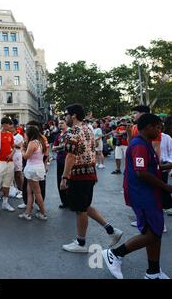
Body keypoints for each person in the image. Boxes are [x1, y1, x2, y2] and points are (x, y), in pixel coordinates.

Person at [103, 114, 172, 279]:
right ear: (148, 126)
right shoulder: (139, 144)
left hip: (149, 193)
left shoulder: (144, 143)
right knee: (152, 233)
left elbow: (152, 167)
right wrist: (166, 186)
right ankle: (115, 253)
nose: (159, 130)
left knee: (154, 231)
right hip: (142, 194)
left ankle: (153, 271)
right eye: (157, 127)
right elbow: (141, 172)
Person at [60, 104, 123, 253]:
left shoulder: (73, 132)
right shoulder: (88, 128)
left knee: (80, 209)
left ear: (73, 115)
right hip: (89, 173)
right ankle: (111, 230)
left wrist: (64, 177)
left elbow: (70, 156)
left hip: (78, 175)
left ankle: (81, 243)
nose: (64, 118)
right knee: (85, 205)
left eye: (66, 115)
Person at [19, 124, 47, 221]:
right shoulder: (40, 142)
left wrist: (22, 149)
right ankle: (27, 213)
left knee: (37, 192)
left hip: (32, 169)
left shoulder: (32, 143)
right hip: (38, 168)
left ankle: (43, 213)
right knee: (29, 192)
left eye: (26, 134)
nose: (25, 135)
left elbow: (26, 156)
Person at [52, 120, 69, 209]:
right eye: (59, 123)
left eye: (62, 123)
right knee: (60, 180)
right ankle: (64, 201)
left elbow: (64, 146)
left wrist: (58, 147)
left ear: (66, 124)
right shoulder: (58, 135)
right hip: (60, 160)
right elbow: (54, 147)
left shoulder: (69, 133)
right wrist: (59, 147)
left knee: (68, 180)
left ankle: (70, 201)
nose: (60, 124)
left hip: (68, 160)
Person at [12, 121, 24, 198]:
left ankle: (22, 190)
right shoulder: (8, 135)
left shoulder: (19, 136)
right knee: (11, 175)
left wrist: (11, 144)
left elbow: (20, 146)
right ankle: (14, 189)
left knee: (18, 174)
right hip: (10, 157)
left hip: (17, 156)